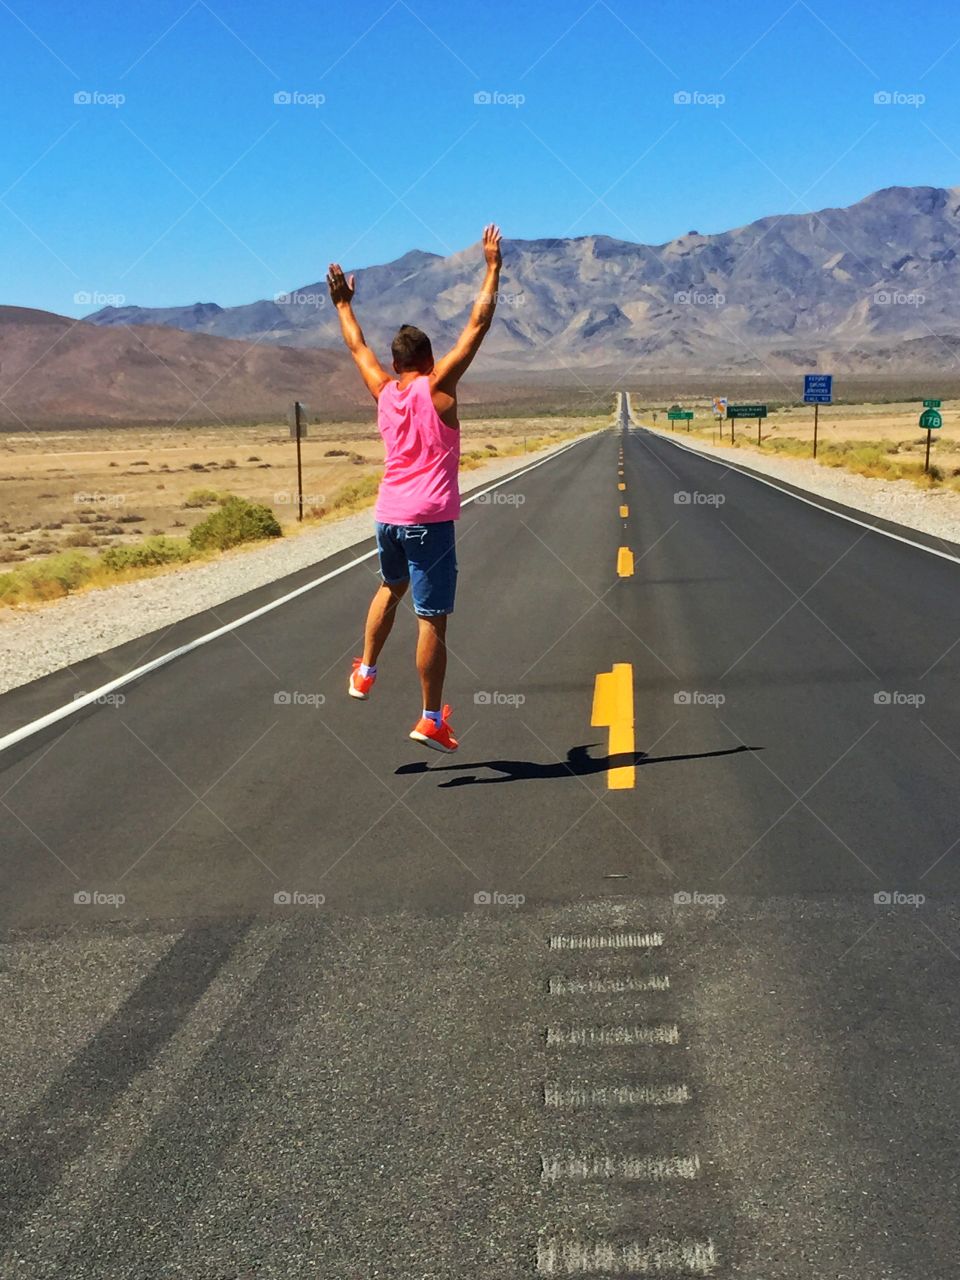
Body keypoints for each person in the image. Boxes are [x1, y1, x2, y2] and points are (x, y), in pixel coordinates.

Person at [326, 224, 503, 753]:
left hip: (388, 515)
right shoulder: (440, 387)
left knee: (390, 587)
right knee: (432, 619)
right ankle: (430, 717)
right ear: (427, 361)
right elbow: (477, 325)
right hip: (429, 521)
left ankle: (366, 671)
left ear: (398, 362)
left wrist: (342, 304)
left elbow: (357, 346)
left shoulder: (383, 390)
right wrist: (492, 267)